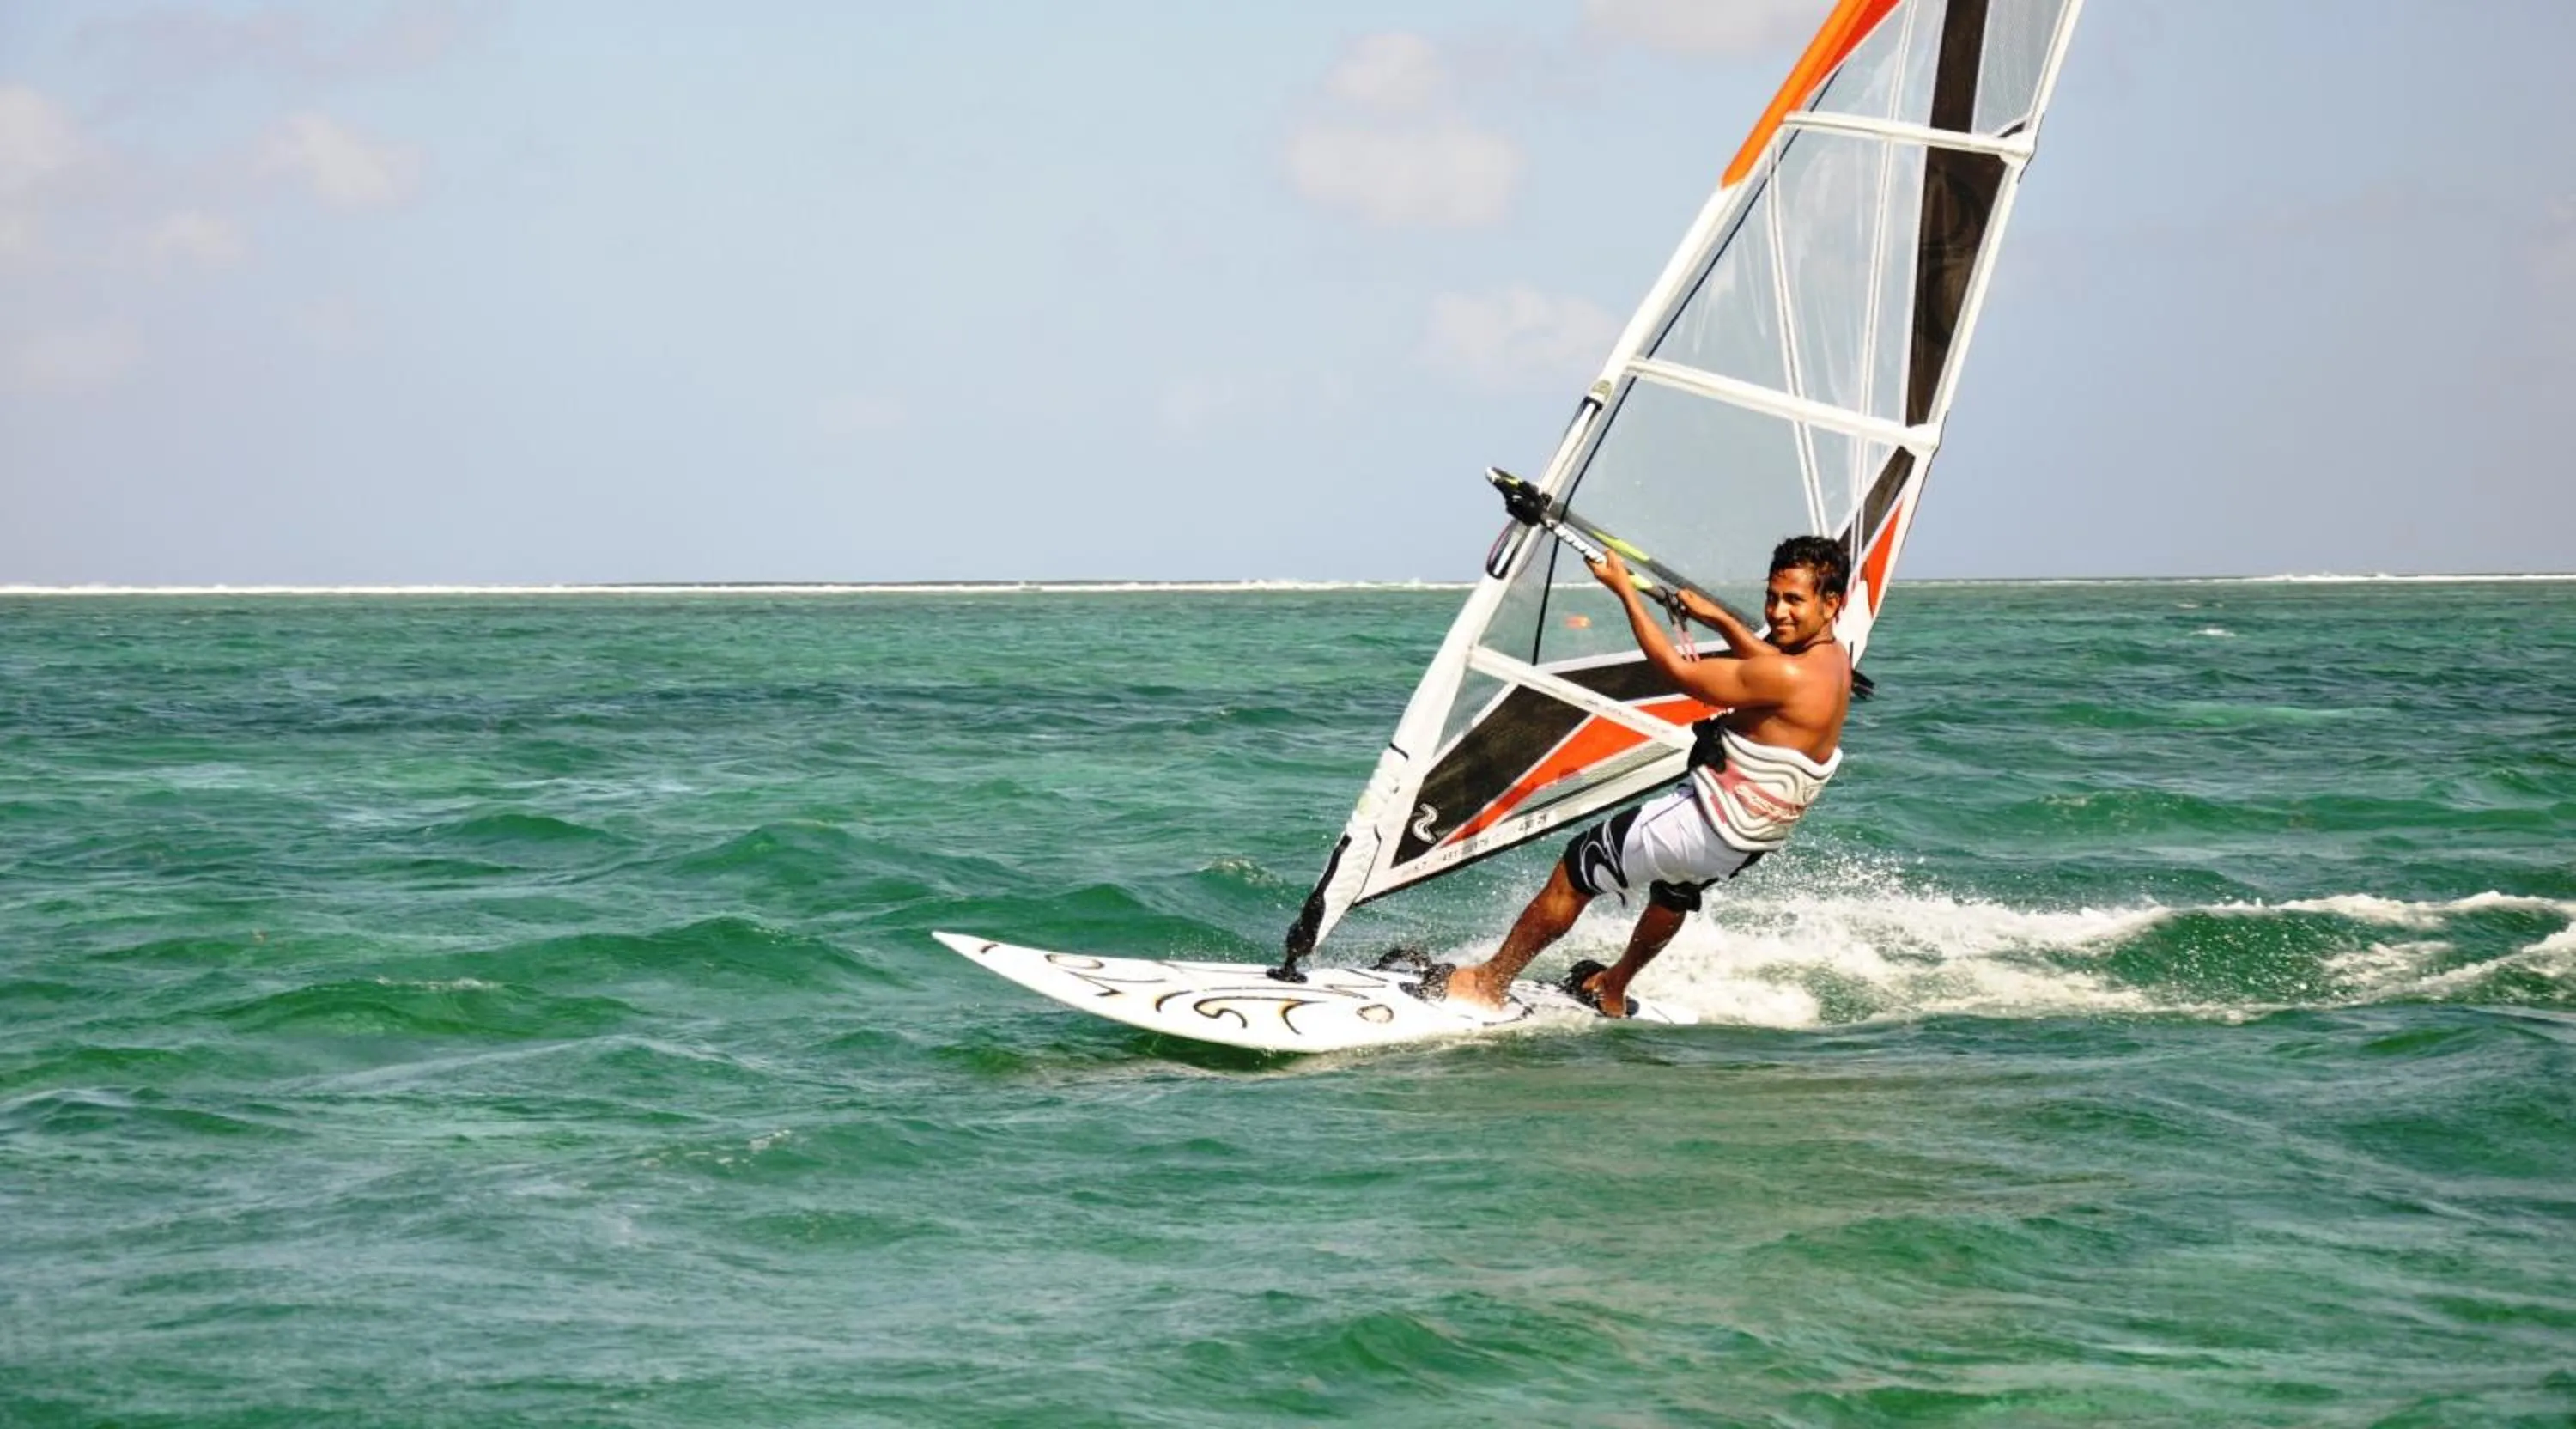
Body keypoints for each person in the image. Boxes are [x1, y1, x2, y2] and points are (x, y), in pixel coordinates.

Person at [1426, 534, 1854, 1018]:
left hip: (1704, 824)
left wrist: (1622, 591)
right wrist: (1718, 620)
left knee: (1578, 867)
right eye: (1772, 597)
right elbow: (1767, 658)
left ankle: (1490, 981)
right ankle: (1612, 987)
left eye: (1794, 600)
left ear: (1831, 601)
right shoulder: (1834, 661)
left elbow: (1677, 671)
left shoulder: (1786, 677)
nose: (1778, 612)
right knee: (1676, 889)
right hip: (1748, 840)